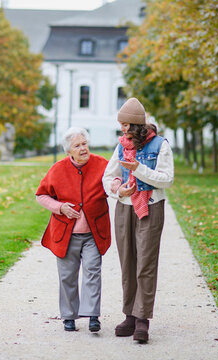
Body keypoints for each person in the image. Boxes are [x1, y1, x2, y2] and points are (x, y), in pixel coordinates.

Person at [102, 97, 174, 343]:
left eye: (125, 124)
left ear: (135, 125)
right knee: (128, 263)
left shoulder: (160, 145)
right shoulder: (121, 145)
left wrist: (137, 169)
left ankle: (142, 319)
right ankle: (130, 316)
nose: (122, 129)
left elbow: (167, 180)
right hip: (124, 207)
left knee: (145, 263)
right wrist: (118, 189)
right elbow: (108, 176)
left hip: (151, 208)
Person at [36, 127, 111, 332]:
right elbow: (41, 195)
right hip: (66, 234)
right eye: (77, 146)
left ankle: (93, 315)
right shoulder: (57, 169)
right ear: (69, 151)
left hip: (94, 233)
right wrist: (60, 207)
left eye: (84, 144)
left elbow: (114, 181)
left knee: (92, 271)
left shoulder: (102, 165)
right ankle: (69, 316)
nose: (82, 148)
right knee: (67, 276)